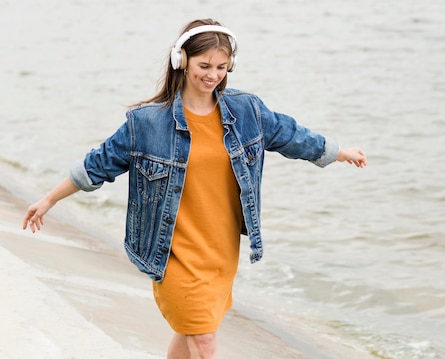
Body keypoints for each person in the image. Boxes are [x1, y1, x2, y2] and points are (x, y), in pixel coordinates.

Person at [22, 18, 367, 359]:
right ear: (182, 62)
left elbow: (291, 135)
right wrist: (48, 200)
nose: (212, 74)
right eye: (204, 65)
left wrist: (338, 153)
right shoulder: (147, 123)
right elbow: (97, 164)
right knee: (203, 342)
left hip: (219, 251)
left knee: (190, 336)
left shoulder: (247, 111)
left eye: (221, 66)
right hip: (173, 253)